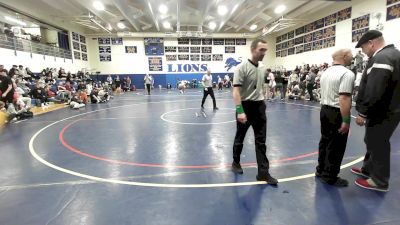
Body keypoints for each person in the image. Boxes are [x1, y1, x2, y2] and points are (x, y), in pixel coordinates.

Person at [353, 30, 400, 192]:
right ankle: (368, 169)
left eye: (363, 48)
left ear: (371, 43)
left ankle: (379, 180)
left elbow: (375, 89)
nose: (363, 52)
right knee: (372, 140)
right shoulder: (394, 54)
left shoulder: (382, 58)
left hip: (382, 111)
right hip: (390, 110)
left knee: (378, 143)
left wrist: (362, 112)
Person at [231, 39, 278, 185]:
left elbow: (258, 86)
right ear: (252, 50)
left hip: (259, 107)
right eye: (261, 50)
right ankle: (236, 162)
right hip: (245, 106)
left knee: (261, 141)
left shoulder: (263, 67)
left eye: (265, 50)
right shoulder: (241, 68)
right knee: (240, 137)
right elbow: (236, 91)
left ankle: (263, 173)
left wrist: (261, 101)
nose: (264, 53)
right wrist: (240, 110)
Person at [317, 49, 355, 187]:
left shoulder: (325, 72)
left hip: (324, 110)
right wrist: (346, 120)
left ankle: (321, 170)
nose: (353, 56)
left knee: (325, 141)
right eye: (351, 54)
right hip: (336, 112)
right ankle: (330, 176)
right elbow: (344, 98)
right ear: (344, 56)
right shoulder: (347, 74)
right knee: (337, 144)